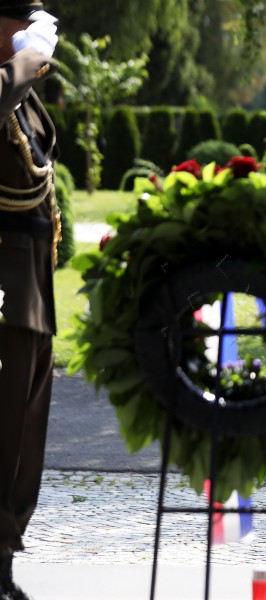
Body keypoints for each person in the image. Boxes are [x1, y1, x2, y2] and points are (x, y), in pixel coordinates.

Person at [0, 1, 60, 598]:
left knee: (23, 427)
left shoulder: (22, 93)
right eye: (15, 18)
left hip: (32, 285)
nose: (24, 29)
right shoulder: (12, 78)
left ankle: (3, 555)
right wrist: (31, 55)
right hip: (5, 282)